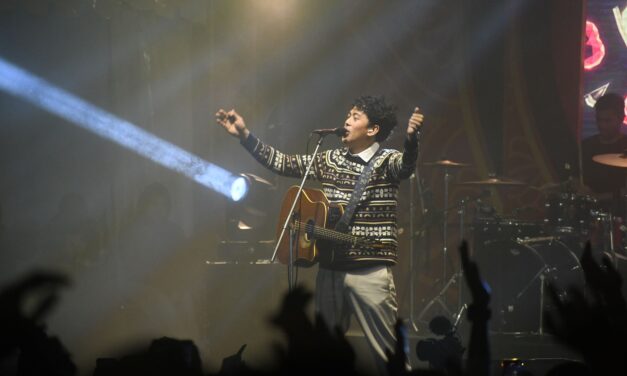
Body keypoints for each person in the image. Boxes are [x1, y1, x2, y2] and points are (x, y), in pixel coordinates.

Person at [216, 95, 424, 373]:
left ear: (373, 129)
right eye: (348, 114)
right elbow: (284, 163)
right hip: (330, 269)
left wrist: (411, 140)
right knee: (323, 356)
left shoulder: (387, 160)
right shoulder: (329, 158)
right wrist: (244, 135)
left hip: (370, 271)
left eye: (355, 117)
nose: (347, 120)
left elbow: (407, 166)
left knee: (389, 357)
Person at [581, 92, 627, 214]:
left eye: (607, 121)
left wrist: (598, 197)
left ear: (621, 118)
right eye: (599, 120)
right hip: (588, 213)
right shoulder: (586, 146)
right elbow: (576, 178)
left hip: (620, 214)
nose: (602, 125)